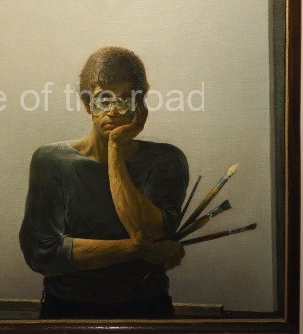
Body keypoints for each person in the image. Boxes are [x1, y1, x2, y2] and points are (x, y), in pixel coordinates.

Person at [19, 46, 189, 319]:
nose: (113, 110)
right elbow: (42, 253)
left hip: (147, 310)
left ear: (139, 106)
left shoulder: (166, 161)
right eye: (103, 99)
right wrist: (138, 251)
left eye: (125, 100)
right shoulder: (51, 161)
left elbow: (144, 231)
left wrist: (115, 148)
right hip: (67, 310)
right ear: (88, 104)